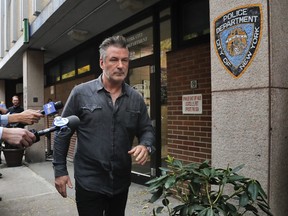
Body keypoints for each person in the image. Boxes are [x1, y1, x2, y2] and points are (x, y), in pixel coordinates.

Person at [53, 35, 155, 216]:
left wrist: (145, 145)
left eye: (125, 60)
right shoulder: (81, 93)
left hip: (120, 182)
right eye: (114, 60)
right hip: (89, 182)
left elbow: (146, 129)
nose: (121, 65)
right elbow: (63, 132)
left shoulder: (136, 98)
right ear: (102, 63)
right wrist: (60, 170)